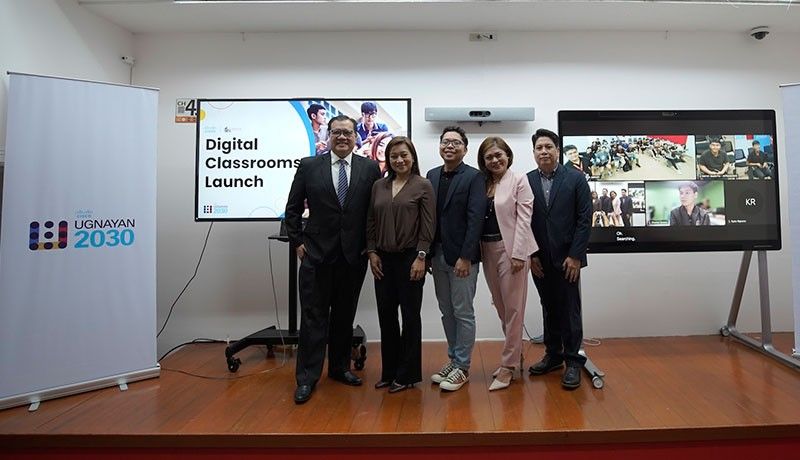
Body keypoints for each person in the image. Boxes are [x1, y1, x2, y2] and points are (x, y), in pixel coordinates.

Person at [284, 115, 382, 404]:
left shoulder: (370, 168)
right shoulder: (309, 166)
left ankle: (340, 369)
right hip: (316, 255)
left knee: (343, 317)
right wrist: (298, 242)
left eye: (348, 133)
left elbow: (373, 214)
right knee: (314, 318)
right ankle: (306, 379)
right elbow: (291, 209)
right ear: (329, 135)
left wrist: (370, 247)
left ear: (356, 137)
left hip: (353, 257)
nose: (342, 137)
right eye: (337, 132)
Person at [366, 137, 435, 393]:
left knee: (409, 316)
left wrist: (421, 256)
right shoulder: (378, 186)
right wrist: (372, 252)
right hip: (382, 259)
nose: (399, 160)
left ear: (412, 157)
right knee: (386, 316)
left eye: (404, 155)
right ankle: (389, 371)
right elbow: (370, 221)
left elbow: (429, 225)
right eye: (394, 156)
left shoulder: (423, 185)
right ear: (388, 159)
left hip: (410, 259)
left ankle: (407, 375)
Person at [526, 128, 592, 390]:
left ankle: (573, 361)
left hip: (568, 260)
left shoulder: (575, 179)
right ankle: (553, 355)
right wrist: (531, 255)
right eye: (539, 148)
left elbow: (584, 220)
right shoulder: (527, 181)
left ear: (557, 150)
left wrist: (575, 256)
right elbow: (523, 222)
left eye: (548, 147)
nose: (544, 151)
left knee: (570, 309)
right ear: (533, 153)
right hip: (540, 260)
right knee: (549, 306)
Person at [426, 126, 487, 392]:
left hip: (462, 258)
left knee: (463, 311)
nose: (449, 146)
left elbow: (476, 220)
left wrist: (466, 256)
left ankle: (462, 366)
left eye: (455, 142)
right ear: (440, 146)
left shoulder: (474, 177)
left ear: (465, 148)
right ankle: (453, 359)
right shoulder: (431, 175)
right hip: (437, 254)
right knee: (446, 310)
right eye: (445, 142)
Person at [476, 137, 538, 391]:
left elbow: (525, 220)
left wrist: (519, 254)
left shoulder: (519, 180)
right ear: (484, 161)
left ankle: (508, 366)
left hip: (511, 250)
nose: (495, 160)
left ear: (508, 155)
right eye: (489, 157)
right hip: (486, 249)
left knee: (514, 310)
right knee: (501, 306)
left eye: (499, 155)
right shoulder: (482, 183)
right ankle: (515, 353)